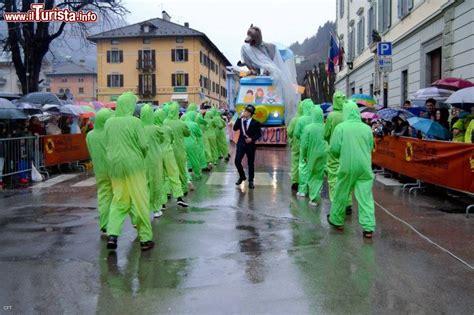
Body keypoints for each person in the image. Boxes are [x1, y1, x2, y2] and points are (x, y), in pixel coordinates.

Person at [104, 92, 154, 251]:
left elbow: (107, 143)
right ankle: (145, 238)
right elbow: (144, 145)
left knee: (119, 199)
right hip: (134, 165)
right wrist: (142, 157)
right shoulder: (135, 122)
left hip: (114, 165)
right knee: (140, 199)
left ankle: (112, 234)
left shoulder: (109, 123)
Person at [327, 100, 376, 239]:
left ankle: (336, 220)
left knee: (341, 193)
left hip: (347, 166)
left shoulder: (341, 128)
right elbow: (371, 146)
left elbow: (335, 149)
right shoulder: (367, 128)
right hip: (364, 167)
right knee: (365, 197)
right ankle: (368, 228)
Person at [86, 108, 114, 236]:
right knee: (123, 196)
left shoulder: (90, 135)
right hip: (114, 169)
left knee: (103, 197)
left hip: (99, 170)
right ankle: (136, 221)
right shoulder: (111, 133)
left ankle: (104, 225)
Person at [154, 109, 189, 208]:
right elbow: (172, 139)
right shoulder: (167, 128)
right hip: (168, 153)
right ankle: (179, 198)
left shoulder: (153, 128)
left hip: (157, 154)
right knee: (174, 174)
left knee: (161, 177)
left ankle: (162, 203)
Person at [324, 91, 352, 214]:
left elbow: (326, 134)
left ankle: (337, 204)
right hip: (349, 149)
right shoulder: (349, 114)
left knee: (334, 176)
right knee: (347, 177)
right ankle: (348, 203)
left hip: (335, 150)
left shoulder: (331, 116)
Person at [140, 104, 166, 218]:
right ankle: (156, 209)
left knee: (142, 185)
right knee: (156, 184)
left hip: (142, 160)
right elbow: (162, 139)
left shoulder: (138, 128)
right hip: (155, 159)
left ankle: (142, 210)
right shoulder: (156, 128)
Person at [300, 106, 327, 206]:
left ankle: (314, 198)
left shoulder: (308, 128)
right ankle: (319, 191)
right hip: (326, 153)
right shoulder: (326, 126)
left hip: (313, 154)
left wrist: (303, 156)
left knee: (313, 175)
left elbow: (304, 144)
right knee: (324, 175)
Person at [164, 102, 191, 195]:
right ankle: (183, 188)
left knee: (168, 171)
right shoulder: (181, 123)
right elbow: (187, 133)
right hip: (179, 150)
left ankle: (168, 190)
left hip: (168, 150)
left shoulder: (164, 122)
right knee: (182, 170)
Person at [233, 105, 262, 189]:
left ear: (249, 113)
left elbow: (258, 134)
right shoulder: (241, 121)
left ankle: (251, 181)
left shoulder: (255, 123)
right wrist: (239, 118)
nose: (244, 112)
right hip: (241, 144)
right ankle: (242, 176)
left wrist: (251, 139)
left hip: (250, 145)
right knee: (237, 161)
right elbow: (235, 128)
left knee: (250, 163)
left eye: (245, 111)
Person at [294, 99, 314, 197]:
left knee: (303, 167)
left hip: (304, 145)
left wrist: (302, 138)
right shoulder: (316, 118)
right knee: (313, 167)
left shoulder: (301, 119)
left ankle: (303, 189)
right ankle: (313, 190)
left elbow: (296, 133)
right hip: (315, 146)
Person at [287, 101, 304, 191]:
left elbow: (289, 132)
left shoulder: (294, 120)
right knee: (304, 163)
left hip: (296, 145)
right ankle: (303, 182)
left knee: (295, 163)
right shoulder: (309, 119)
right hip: (305, 145)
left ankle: (295, 182)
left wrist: (291, 140)